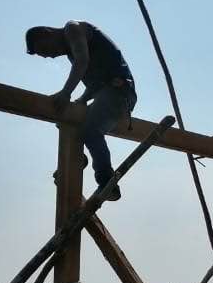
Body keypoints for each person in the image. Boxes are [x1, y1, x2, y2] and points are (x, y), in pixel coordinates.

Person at [25, 22, 136, 200]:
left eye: (46, 49)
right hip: (109, 93)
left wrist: (66, 93)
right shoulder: (73, 50)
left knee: (91, 132)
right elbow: (96, 83)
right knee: (78, 130)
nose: (51, 56)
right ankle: (75, 162)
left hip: (120, 92)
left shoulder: (72, 29)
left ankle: (107, 181)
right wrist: (82, 100)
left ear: (48, 33)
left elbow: (82, 61)